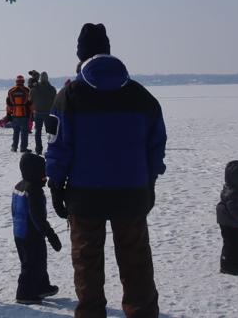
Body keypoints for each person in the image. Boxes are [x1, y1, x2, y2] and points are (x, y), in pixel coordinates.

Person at [46, 23, 165, 318]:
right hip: (132, 194)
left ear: (80, 54)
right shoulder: (141, 95)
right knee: (136, 261)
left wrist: (55, 185)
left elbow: (58, 145)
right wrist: (148, 181)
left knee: (87, 263)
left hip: (85, 196)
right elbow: (156, 144)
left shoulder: (69, 95)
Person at [12, 152, 62, 305]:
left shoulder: (20, 185)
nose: (45, 176)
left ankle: (41, 286)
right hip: (30, 233)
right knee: (31, 263)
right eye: (42, 172)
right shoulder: (34, 191)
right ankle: (25, 293)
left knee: (39, 261)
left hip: (20, 232)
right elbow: (37, 217)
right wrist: (51, 234)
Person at [31, 72, 57, 155]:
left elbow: (30, 99)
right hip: (48, 113)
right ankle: (50, 148)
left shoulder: (34, 89)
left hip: (38, 112)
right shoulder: (52, 89)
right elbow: (55, 101)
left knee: (37, 132)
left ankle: (38, 149)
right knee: (49, 133)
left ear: (40, 78)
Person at [6, 74, 33, 153]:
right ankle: (23, 148)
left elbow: (8, 104)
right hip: (25, 115)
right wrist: (31, 114)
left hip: (15, 114)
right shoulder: (27, 90)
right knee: (24, 133)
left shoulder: (11, 91)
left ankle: (14, 147)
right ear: (23, 81)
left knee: (16, 132)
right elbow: (30, 103)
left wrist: (8, 114)